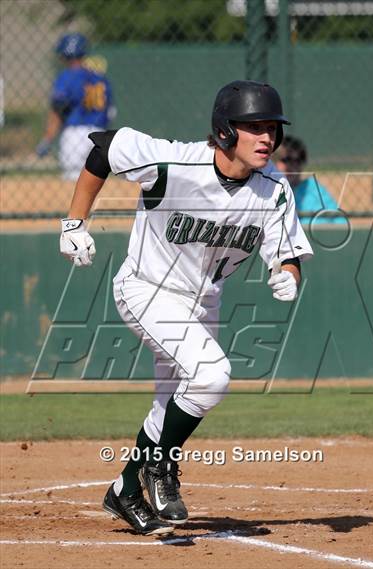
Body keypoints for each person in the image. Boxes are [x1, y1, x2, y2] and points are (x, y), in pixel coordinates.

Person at [59, 80, 314, 536]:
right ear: (223, 132)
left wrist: (287, 275)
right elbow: (103, 148)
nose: (267, 137)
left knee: (171, 403)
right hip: (146, 288)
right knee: (212, 375)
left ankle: (125, 490)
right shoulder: (174, 162)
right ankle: (158, 471)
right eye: (253, 127)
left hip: (203, 303)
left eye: (271, 127)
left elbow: (287, 254)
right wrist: (74, 222)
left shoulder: (273, 190)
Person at [36, 33, 114, 181]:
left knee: (72, 182)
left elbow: (58, 110)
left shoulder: (66, 76)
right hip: (99, 134)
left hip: (74, 133)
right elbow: (110, 112)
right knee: (94, 181)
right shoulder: (100, 77)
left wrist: (47, 139)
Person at [272, 135, 345, 224]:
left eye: (298, 160)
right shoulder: (267, 189)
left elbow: (341, 221)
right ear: (274, 161)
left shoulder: (313, 188)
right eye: (287, 159)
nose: (292, 166)